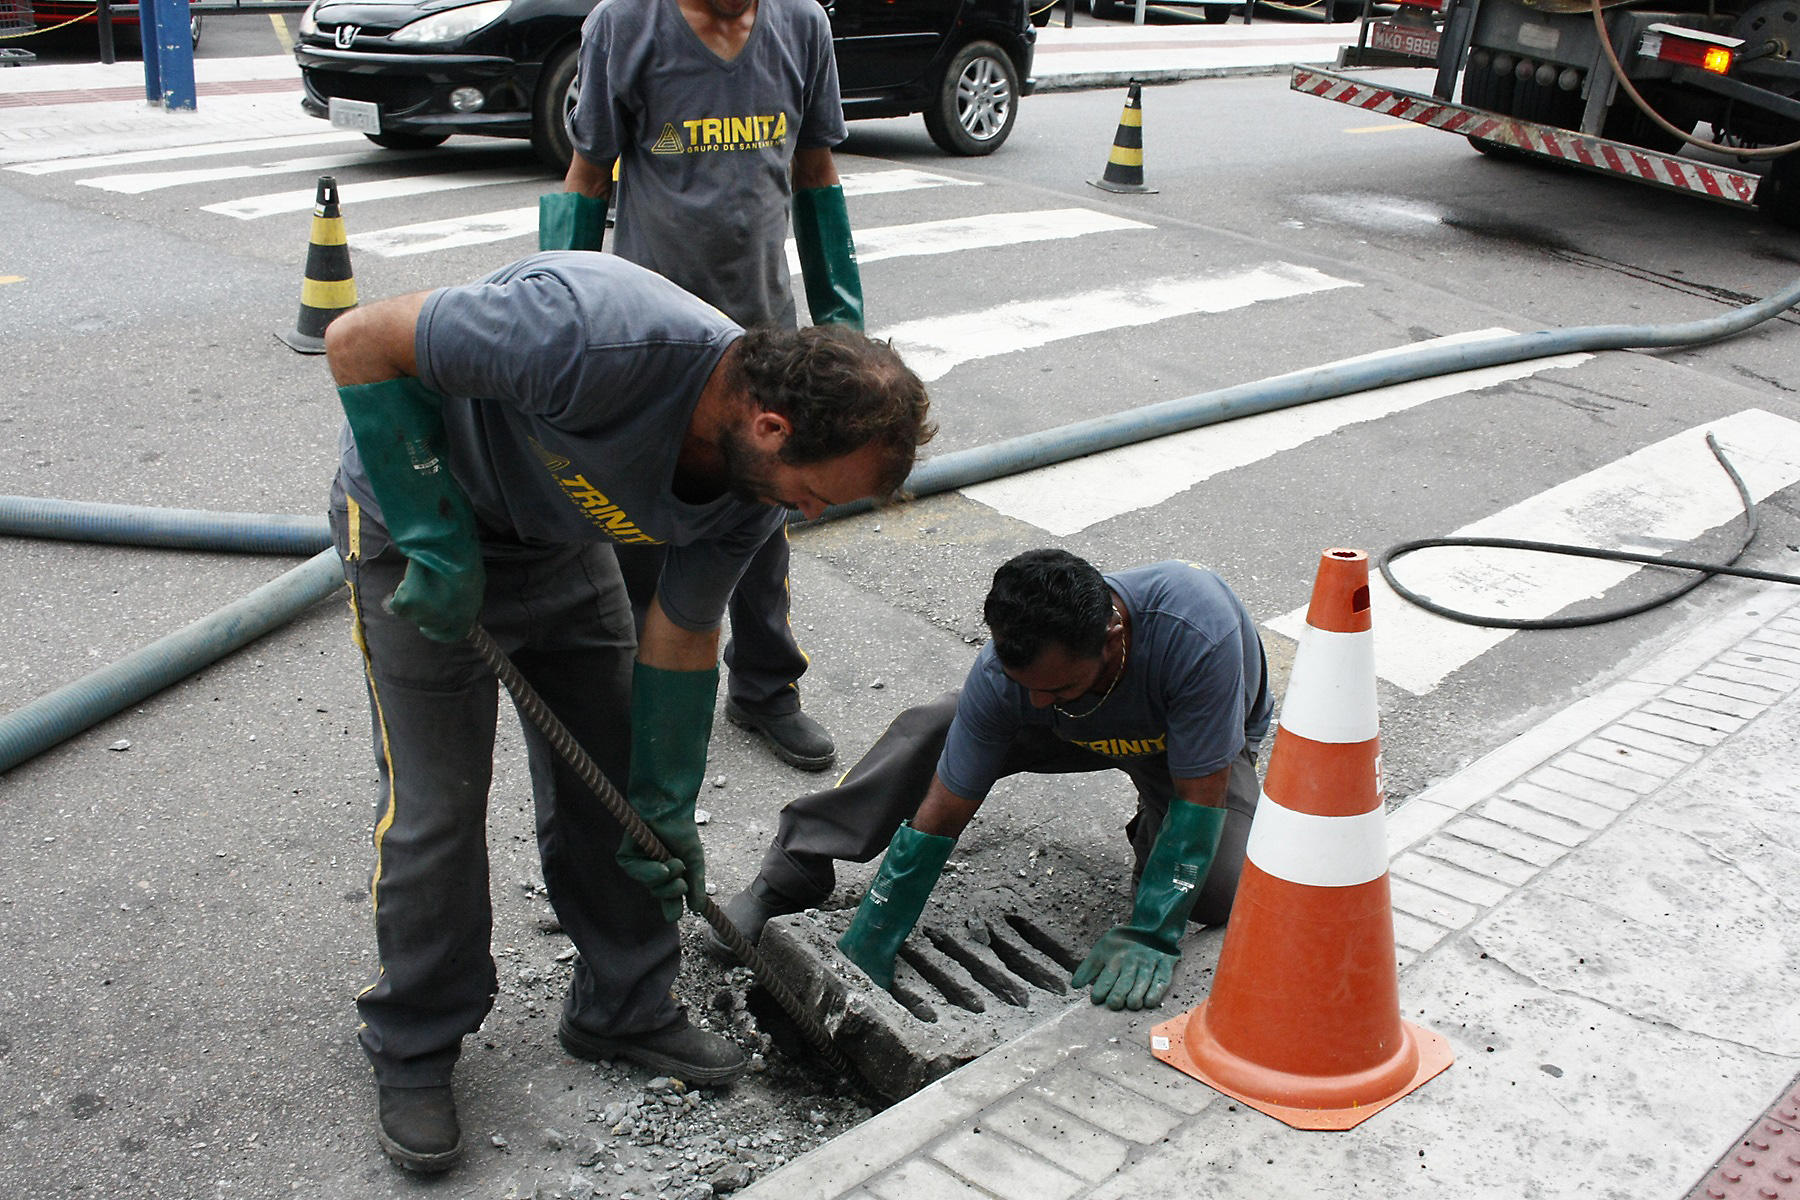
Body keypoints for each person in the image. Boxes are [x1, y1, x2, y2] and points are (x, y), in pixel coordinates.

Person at [324, 251, 931, 1173]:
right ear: (771, 427)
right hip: (419, 535)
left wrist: (665, 799)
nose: (807, 514)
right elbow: (357, 340)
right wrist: (429, 527)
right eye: (816, 493)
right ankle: (413, 1045)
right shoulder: (592, 336)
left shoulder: (749, 492)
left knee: (608, 788)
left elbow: (683, 630)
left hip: (559, 544)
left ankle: (624, 1007)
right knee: (436, 812)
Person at [711, 549, 1273, 1014]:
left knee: (1218, 892)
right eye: (1023, 683)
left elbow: (1202, 798)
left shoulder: (1196, 636)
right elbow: (943, 810)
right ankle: (788, 875)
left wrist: (1153, 930)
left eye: (1055, 686)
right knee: (934, 729)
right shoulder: (1019, 682)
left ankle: (1155, 831)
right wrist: (881, 921)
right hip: (1078, 724)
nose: (1034, 701)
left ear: (1112, 636)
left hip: (1177, 744)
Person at [537, 0, 864, 771]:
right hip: (655, 345)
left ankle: (764, 690)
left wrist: (842, 324)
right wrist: (564, 318)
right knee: (643, 524)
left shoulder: (802, 26)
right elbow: (587, 178)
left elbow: (814, 173)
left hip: (766, 334)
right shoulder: (625, 24)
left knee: (763, 524)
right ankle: (640, 693)